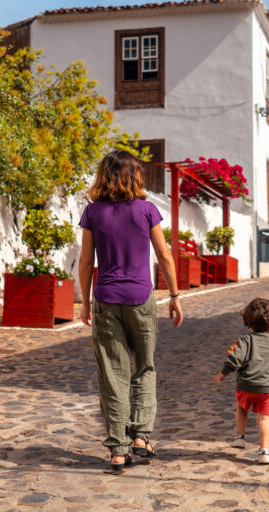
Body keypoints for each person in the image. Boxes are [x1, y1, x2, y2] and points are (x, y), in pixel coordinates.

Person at [78, 150, 183, 472]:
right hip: (141, 297)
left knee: (113, 375)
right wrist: (175, 295)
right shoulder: (147, 210)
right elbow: (164, 254)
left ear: (103, 176)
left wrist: (85, 301)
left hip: (107, 299)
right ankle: (140, 435)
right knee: (144, 368)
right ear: (134, 176)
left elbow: (85, 261)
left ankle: (118, 451)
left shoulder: (93, 212)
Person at [213, 298, 269, 465]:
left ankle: (240, 437)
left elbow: (235, 358)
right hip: (268, 390)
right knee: (264, 419)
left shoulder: (245, 341)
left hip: (245, 387)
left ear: (248, 321)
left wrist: (223, 373)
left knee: (242, 410)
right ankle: (264, 451)